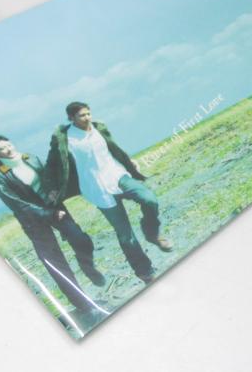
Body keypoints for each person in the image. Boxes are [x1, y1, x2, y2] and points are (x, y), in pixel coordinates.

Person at [45, 102, 173, 284]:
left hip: (118, 176)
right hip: (96, 188)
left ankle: (152, 233)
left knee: (149, 199)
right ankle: (145, 272)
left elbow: (113, 148)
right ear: (71, 118)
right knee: (125, 234)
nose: (87, 118)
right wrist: (52, 189)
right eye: (82, 115)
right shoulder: (65, 139)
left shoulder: (99, 127)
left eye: (88, 113)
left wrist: (128, 161)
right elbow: (51, 165)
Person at [0, 135, 105, 317]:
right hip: (33, 222)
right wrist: (49, 214)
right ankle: (84, 305)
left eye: (9, 144)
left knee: (81, 239)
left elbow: (48, 179)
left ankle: (87, 266)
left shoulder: (30, 158)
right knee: (56, 263)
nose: (9, 149)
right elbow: (20, 206)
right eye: (2, 149)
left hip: (54, 208)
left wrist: (54, 191)